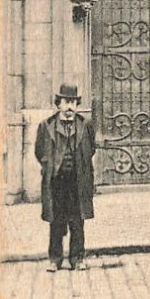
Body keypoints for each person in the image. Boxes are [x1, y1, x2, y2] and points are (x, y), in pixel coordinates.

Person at [34, 83, 96, 272]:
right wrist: (49, 165)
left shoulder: (85, 125)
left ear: (77, 105)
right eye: (66, 102)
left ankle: (77, 258)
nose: (69, 107)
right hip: (57, 182)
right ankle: (55, 259)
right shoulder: (47, 125)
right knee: (56, 220)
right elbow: (39, 151)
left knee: (77, 220)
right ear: (58, 104)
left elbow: (91, 148)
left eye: (73, 103)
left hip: (77, 181)